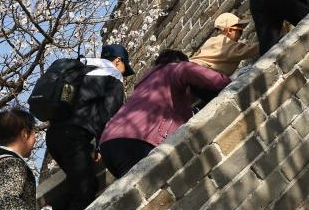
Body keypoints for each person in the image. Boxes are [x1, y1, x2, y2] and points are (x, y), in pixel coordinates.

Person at [98, 50, 230, 179]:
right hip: (139, 140)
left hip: (108, 144)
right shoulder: (176, 68)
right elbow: (212, 80)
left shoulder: (145, 84)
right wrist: (229, 81)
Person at [44, 43, 133, 210]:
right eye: (124, 68)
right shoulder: (113, 74)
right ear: (117, 61)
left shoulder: (81, 69)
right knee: (86, 189)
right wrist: (100, 145)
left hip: (53, 136)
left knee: (77, 183)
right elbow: (109, 114)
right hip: (74, 137)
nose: (124, 75)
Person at [190, 13, 260, 76]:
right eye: (239, 31)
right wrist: (266, 42)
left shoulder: (211, 41)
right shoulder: (226, 43)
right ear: (230, 30)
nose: (240, 35)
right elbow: (248, 50)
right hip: (198, 73)